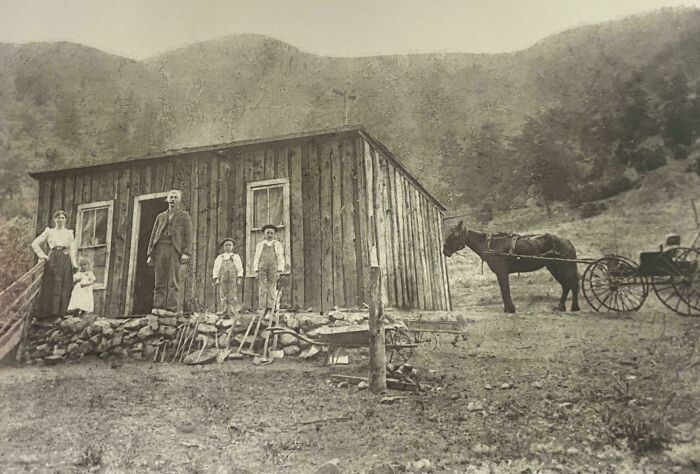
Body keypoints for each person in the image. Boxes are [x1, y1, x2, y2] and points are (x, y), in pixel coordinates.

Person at [146, 189, 193, 317]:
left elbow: (188, 236)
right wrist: (150, 253)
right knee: (159, 278)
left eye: (175, 197)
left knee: (173, 279)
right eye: (171, 197)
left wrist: (186, 253)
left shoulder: (184, 216)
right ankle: (158, 306)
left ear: (179, 200)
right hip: (161, 249)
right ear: (167, 200)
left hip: (174, 249)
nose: (172, 199)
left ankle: (171, 308)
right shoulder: (160, 216)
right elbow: (153, 235)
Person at [31, 210, 78, 318]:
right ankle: (49, 312)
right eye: (58, 218)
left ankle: (61, 313)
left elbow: (72, 249)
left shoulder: (69, 232)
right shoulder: (49, 231)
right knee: (53, 283)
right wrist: (42, 255)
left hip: (65, 258)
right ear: (54, 219)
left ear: (65, 220)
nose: (60, 220)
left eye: (62, 218)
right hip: (53, 258)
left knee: (65, 284)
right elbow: (35, 244)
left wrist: (74, 264)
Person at [252, 224, 285, 313]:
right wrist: (256, 270)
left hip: (273, 268)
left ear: (274, 234)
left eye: (271, 233)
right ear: (264, 234)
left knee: (272, 287)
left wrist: (279, 270)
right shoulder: (260, 245)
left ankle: (271, 307)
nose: (269, 235)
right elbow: (257, 257)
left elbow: (280, 257)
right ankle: (262, 307)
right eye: (267, 233)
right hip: (262, 268)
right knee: (262, 287)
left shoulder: (277, 244)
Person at [212, 238, 244, 316]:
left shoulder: (235, 257)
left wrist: (239, 277)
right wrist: (216, 278)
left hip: (232, 278)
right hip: (223, 278)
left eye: (230, 245)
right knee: (223, 294)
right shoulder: (220, 257)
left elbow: (239, 267)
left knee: (232, 294)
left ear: (232, 247)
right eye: (226, 245)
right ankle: (224, 310)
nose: (228, 247)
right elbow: (216, 268)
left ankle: (233, 311)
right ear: (223, 247)